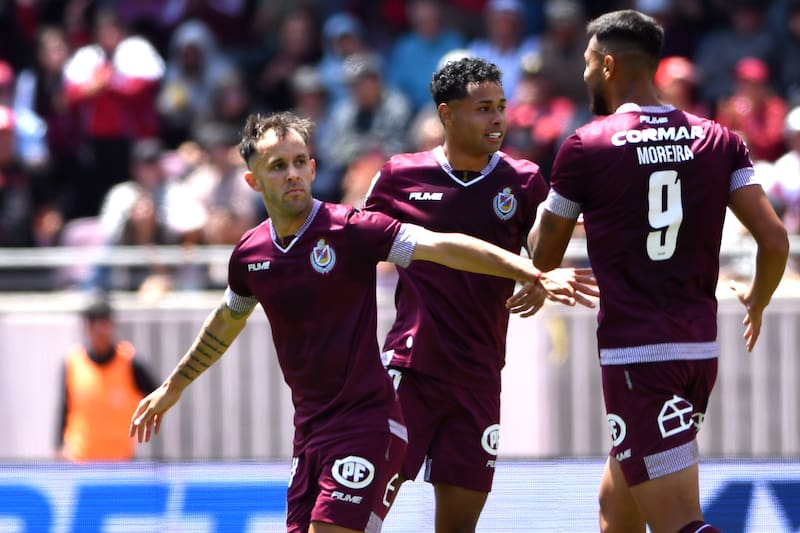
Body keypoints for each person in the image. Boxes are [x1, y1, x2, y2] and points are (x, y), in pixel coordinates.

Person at [129, 111, 589, 533]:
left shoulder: (350, 230)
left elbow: (443, 245)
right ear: (253, 181)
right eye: (277, 166)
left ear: (312, 167)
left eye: (299, 162)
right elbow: (227, 319)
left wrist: (530, 270)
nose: (292, 173)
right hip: (310, 432)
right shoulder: (251, 254)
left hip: (367, 424)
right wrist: (173, 387)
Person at [510, 10, 789, 533]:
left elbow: (544, 255)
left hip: (638, 355)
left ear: (608, 65)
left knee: (679, 522)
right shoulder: (716, 139)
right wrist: (758, 298)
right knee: (617, 510)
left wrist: (524, 230)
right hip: (697, 351)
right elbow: (774, 240)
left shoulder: (586, 145)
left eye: (591, 64)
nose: (587, 74)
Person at [362, 56, 597, 533]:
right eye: (483, 108)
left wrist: (539, 276)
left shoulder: (525, 179)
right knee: (358, 511)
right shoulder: (399, 176)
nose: (497, 119)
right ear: (447, 115)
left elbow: (545, 244)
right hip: (412, 370)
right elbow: (353, 247)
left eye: (501, 107)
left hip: (480, 376)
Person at [57, 298, 157, 462]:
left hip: (121, 462)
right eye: (93, 324)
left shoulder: (130, 363)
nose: (100, 331)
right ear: (86, 328)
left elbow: (157, 397)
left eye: (104, 323)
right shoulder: (73, 363)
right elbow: (65, 407)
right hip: (80, 461)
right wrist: (58, 446)